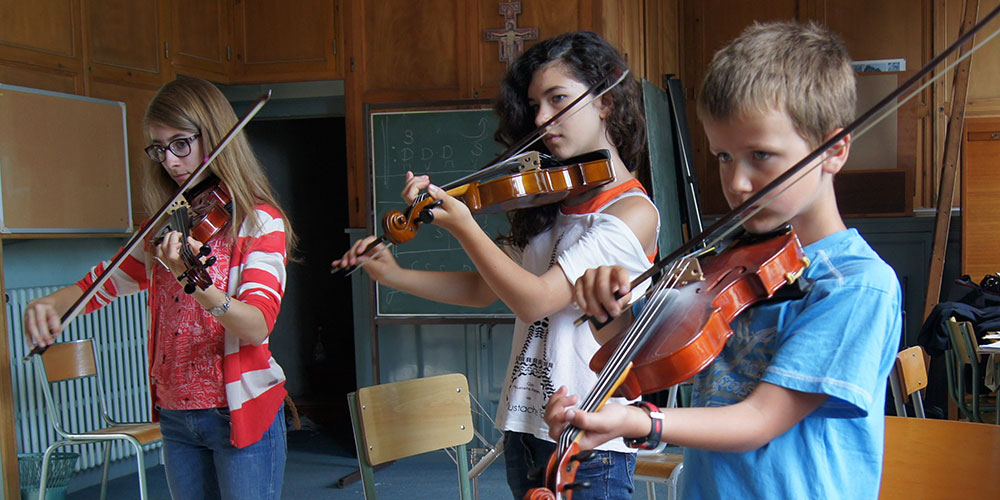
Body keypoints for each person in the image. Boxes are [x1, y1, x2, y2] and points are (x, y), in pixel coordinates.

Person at [545, 21, 903, 500]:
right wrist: (606, 307)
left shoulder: (855, 286)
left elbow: (759, 420)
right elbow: (632, 362)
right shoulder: (733, 265)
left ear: (833, 150)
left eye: (761, 155)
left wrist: (639, 421)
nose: (736, 183)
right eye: (723, 156)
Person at [333, 31, 659, 500]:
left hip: (592, 436)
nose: (543, 119)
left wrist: (466, 226)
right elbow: (484, 289)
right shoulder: (552, 200)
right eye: (535, 105)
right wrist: (394, 275)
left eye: (558, 99)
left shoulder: (631, 212)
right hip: (525, 423)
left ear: (605, 102)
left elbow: (536, 299)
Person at [23, 77, 295, 500]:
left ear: (215, 136)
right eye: (158, 147)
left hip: (235, 411)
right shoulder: (170, 225)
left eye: (181, 144)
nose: (169, 161)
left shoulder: (258, 222)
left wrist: (196, 282)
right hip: (175, 414)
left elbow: (257, 325)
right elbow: (107, 280)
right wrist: (53, 303)